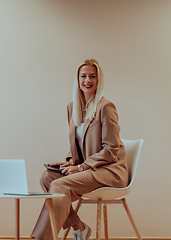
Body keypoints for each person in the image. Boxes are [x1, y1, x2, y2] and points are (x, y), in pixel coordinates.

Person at [31, 59, 128, 240]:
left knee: (60, 184)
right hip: (87, 167)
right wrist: (69, 161)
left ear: (99, 80)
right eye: (83, 76)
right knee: (48, 177)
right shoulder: (72, 107)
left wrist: (81, 167)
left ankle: (42, 238)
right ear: (77, 79)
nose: (87, 80)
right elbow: (78, 144)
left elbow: (111, 149)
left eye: (92, 76)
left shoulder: (105, 107)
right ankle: (79, 227)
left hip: (108, 170)